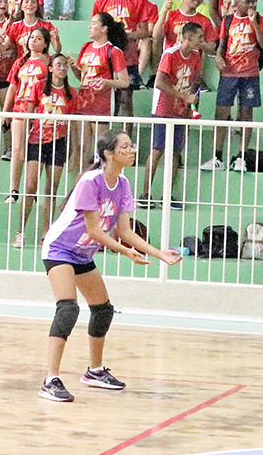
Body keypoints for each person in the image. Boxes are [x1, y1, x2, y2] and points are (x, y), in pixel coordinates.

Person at [38, 128, 181, 402]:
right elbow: (94, 231)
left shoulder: (123, 184)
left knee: (103, 310)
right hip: (60, 248)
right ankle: (50, 379)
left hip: (82, 253)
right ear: (109, 154)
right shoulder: (90, 181)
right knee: (68, 309)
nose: (131, 150)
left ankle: (95, 371)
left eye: (131, 145)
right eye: (125, 146)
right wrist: (126, 252)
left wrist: (159, 254)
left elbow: (125, 231)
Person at [140, 20, 205, 210]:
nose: (202, 40)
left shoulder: (196, 56)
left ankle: (167, 195)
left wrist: (192, 105)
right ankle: (145, 194)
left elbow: (195, 81)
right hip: (163, 108)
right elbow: (159, 82)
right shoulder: (170, 54)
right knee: (157, 149)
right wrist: (184, 96)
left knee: (176, 152)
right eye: (199, 37)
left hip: (181, 110)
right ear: (188, 38)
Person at [203, 0, 263, 172]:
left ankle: (241, 157)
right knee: (221, 113)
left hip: (250, 74)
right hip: (229, 74)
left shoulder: (259, 19)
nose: (252, 5)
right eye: (247, 2)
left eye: (254, 2)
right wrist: (218, 56)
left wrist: (254, 23)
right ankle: (217, 157)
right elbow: (222, 44)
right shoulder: (228, 20)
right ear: (236, 4)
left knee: (246, 113)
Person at [18, 52, 77, 248]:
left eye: (65, 65)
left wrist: (75, 149)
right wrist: (22, 143)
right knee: (30, 186)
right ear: (50, 68)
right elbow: (28, 115)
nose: (62, 68)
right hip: (37, 140)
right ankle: (20, 231)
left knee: (51, 190)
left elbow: (74, 124)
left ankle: (46, 234)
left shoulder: (71, 93)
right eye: (58, 64)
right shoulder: (38, 87)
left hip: (58, 142)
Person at [72, 12, 129, 172]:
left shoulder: (113, 51)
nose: (90, 27)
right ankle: (80, 181)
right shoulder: (85, 47)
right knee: (81, 147)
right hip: (83, 102)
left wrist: (106, 83)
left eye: (94, 23)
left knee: (100, 149)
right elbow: (82, 77)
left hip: (102, 105)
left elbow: (124, 81)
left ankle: (99, 181)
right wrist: (74, 69)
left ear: (104, 28)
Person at [5, 26, 52, 208]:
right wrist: (6, 111)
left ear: (45, 44)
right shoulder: (20, 62)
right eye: (32, 37)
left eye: (38, 38)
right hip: (20, 109)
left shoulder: (48, 62)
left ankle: (32, 190)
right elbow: (12, 87)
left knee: (36, 152)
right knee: (17, 149)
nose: (33, 40)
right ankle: (13, 189)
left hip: (40, 112)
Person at [92, 0, 147, 118]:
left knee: (126, 99)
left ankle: (127, 133)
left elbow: (145, 32)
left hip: (128, 57)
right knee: (109, 99)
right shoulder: (101, 1)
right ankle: (107, 132)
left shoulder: (138, 1)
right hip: (106, 57)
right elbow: (94, 27)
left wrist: (126, 35)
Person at [127, 0, 160, 87]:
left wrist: (136, 35)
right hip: (123, 38)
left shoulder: (151, 6)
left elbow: (150, 30)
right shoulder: (123, 2)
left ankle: (136, 75)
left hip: (139, 39)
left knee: (147, 41)